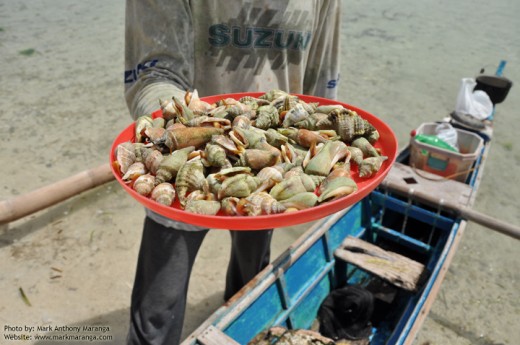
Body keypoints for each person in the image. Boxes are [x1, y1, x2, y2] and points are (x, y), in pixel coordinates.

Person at [124, 1, 341, 344]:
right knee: (156, 314)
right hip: (182, 160)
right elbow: (153, 74)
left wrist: (323, 156)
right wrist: (189, 127)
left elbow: (320, 82)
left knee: (248, 288)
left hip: (273, 163)